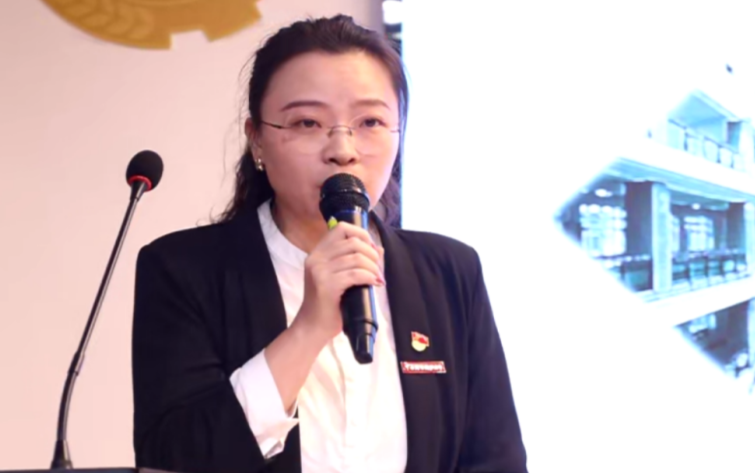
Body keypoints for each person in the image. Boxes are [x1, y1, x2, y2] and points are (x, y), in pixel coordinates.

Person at [131, 14, 527, 473]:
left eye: (370, 121)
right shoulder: (183, 270)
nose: (343, 150)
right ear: (257, 140)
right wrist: (308, 329)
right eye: (307, 122)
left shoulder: (450, 271)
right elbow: (173, 458)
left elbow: (496, 459)